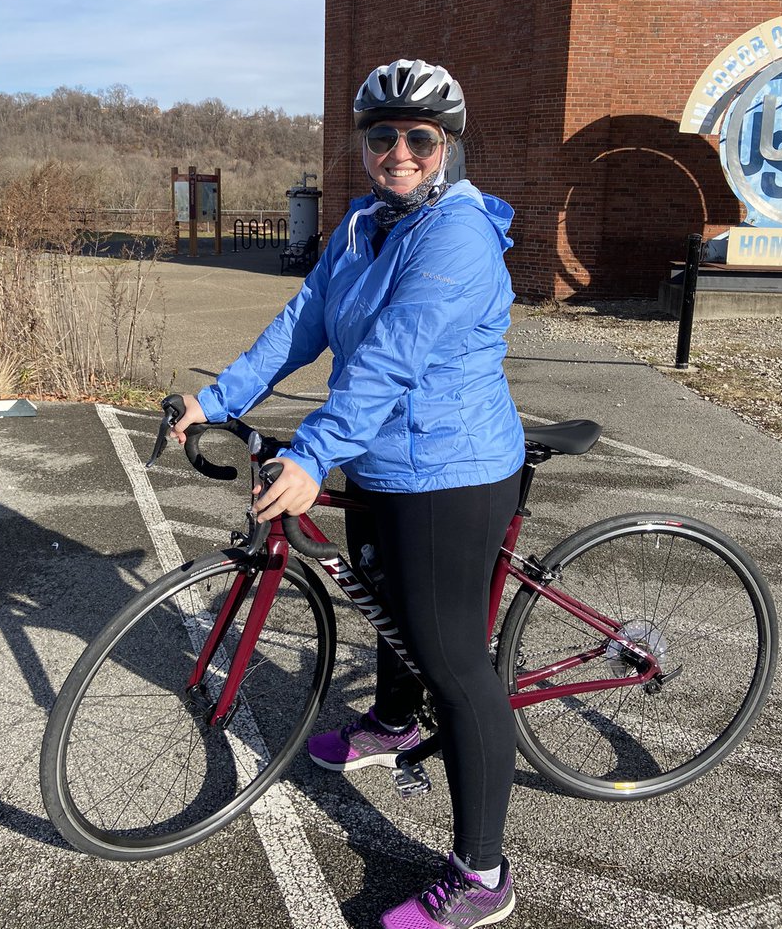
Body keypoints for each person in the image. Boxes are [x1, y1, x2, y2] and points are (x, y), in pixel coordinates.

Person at [172, 58, 525, 928]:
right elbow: (303, 324)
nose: (398, 151)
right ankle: (396, 725)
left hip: (452, 469)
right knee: (384, 605)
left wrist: (313, 454)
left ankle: (485, 877)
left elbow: (392, 358)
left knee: (455, 663)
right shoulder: (366, 222)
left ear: (446, 148)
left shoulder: (459, 236)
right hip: (380, 463)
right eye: (382, 136)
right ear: (363, 144)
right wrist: (216, 400)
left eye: (418, 137)